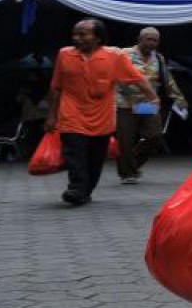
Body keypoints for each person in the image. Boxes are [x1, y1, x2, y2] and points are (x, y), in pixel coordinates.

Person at [46, 18, 159, 205]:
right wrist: (51, 115)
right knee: (75, 154)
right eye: (75, 34)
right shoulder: (64, 55)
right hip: (72, 115)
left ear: (98, 38)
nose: (77, 38)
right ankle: (76, 189)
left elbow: (138, 78)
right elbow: (56, 87)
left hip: (103, 118)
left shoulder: (115, 56)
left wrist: (153, 97)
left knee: (95, 158)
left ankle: (85, 190)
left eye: (83, 34)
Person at [114, 26, 187, 184]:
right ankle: (128, 173)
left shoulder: (158, 58)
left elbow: (168, 80)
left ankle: (130, 163)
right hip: (125, 103)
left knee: (155, 136)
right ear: (140, 39)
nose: (152, 43)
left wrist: (179, 99)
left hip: (148, 103)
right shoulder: (124, 54)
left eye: (155, 40)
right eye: (149, 39)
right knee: (125, 140)